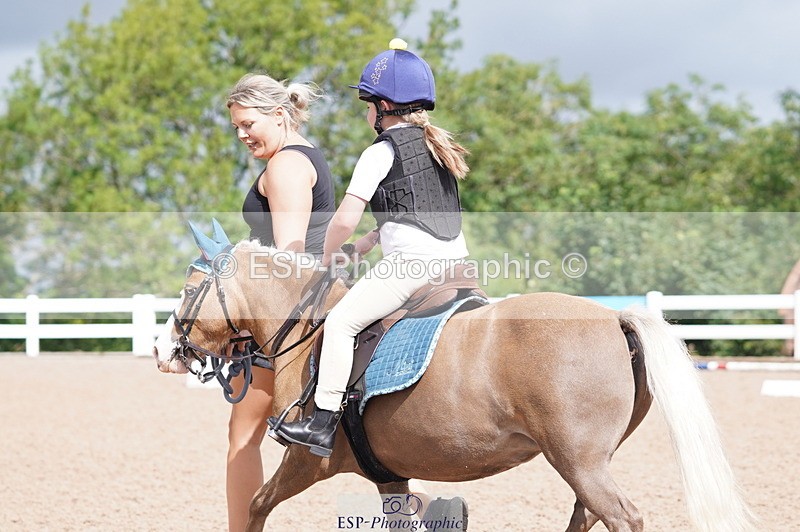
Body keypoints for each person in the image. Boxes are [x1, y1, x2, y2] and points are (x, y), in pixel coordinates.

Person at [270, 39, 470, 458]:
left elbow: (344, 220)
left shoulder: (380, 152)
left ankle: (322, 422)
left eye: (367, 106)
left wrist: (327, 257)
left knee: (340, 323)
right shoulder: (438, 149)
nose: (366, 115)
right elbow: (400, 223)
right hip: (458, 266)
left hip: (411, 269)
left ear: (383, 107)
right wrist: (363, 245)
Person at [225, 72, 334, 532]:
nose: (242, 134)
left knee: (243, 438)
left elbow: (289, 258)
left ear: (278, 114)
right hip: (309, 305)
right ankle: (424, 512)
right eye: (236, 127)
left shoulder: (286, 165)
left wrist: (246, 323)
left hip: (286, 318)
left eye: (248, 123)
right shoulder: (303, 155)